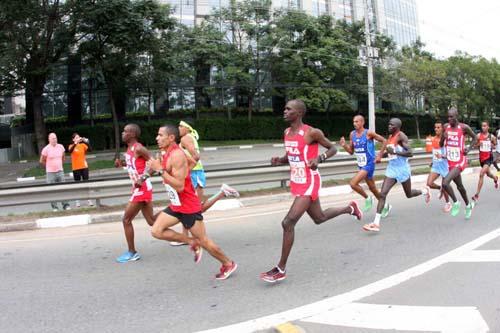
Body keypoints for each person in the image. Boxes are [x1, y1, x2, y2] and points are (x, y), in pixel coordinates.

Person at [260, 99, 362, 283]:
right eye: (284, 108)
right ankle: (350, 208)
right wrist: (280, 160)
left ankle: (280, 268)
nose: (284, 111)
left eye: (288, 109)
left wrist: (319, 158)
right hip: (297, 181)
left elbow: (332, 148)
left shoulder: (311, 132)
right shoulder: (286, 132)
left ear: (298, 113)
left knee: (288, 222)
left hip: (310, 180)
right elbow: (291, 154)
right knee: (319, 218)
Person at [148, 124, 237, 280]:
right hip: (177, 205)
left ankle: (228, 263)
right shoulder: (169, 152)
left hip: (188, 206)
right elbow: (193, 162)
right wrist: (174, 170)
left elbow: (180, 186)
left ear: (171, 138)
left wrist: (161, 170)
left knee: (205, 241)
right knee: (156, 231)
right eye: (157, 135)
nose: (157, 138)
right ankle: (191, 242)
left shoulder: (176, 154)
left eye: (160, 135)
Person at [169, 120, 240, 246]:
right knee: (188, 207)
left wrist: (185, 170)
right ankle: (186, 237)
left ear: (187, 128)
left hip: (194, 174)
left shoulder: (186, 138)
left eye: (181, 126)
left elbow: (196, 156)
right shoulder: (188, 138)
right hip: (195, 173)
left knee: (195, 208)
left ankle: (222, 192)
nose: (178, 128)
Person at [363, 118, 425, 232]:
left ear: (397, 126)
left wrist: (395, 152)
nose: (389, 126)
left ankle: (424, 191)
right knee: (382, 194)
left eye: (391, 125)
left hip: (402, 169)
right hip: (392, 169)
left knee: (409, 194)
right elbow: (390, 153)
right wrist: (380, 157)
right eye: (389, 124)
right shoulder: (390, 138)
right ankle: (376, 223)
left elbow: (410, 153)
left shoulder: (401, 136)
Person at [114, 124, 156, 263]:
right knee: (152, 221)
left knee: (126, 220)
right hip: (139, 187)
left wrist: (142, 178)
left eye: (125, 131)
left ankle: (132, 252)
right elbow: (134, 166)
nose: (122, 133)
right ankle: (177, 211)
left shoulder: (139, 148)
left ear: (132, 134)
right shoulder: (129, 148)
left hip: (142, 188)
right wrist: (122, 165)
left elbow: (155, 165)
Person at [339, 115, 387, 212]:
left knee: (353, 183)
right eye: (354, 122)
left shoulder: (368, 133)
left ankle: (367, 198)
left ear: (362, 122)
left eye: (357, 122)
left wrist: (379, 155)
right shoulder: (352, 134)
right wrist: (344, 145)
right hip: (361, 165)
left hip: (369, 163)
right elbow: (351, 152)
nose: (354, 124)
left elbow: (384, 141)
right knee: (372, 188)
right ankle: (385, 206)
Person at [440, 107, 477, 219]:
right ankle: (468, 205)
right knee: (460, 186)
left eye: (451, 117)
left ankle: (456, 202)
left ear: (457, 116)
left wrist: (469, 149)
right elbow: (441, 144)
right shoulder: (446, 127)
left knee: (445, 183)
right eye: (448, 117)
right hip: (450, 161)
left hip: (460, 161)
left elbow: (475, 138)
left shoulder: (464, 127)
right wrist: (443, 137)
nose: (449, 119)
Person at [424, 122, 451, 212]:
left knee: (445, 185)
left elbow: (450, 155)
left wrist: (442, 157)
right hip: (436, 166)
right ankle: (440, 188)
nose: (436, 129)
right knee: (429, 183)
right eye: (435, 127)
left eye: (438, 127)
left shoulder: (446, 140)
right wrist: (432, 162)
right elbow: (435, 153)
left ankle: (448, 203)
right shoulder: (433, 139)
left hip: (445, 166)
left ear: (442, 129)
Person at [40, 132, 70, 211]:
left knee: (63, 189)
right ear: (49, 139)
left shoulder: (61, 147)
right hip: (50, 173)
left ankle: (66, 205)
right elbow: (42, 160)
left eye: (55, 138)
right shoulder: (46, 149)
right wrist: (48, 167)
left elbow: (63, 157)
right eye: (53, 138)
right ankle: (55, 207)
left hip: (60, 171)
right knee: (52, 190)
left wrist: (59, 165)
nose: (55, 139)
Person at [471, 121, 498, 203]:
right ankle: (495, 178)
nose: (483, 127)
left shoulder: (491, 136)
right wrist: (479, 144)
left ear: (488, 127)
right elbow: (475, 145)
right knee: (488, 174)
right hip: (481, 158)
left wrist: (492, 145)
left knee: (481, 174)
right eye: (482, 126)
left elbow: (495, 144)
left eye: (485, 126)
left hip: (488, 158)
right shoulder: (479, 136)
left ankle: (476, 195)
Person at [68, 132, 93, 207]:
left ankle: (89, 199)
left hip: (84, 167)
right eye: (76, 137)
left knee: (86, 183)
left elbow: (90, 150)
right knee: (77, 184)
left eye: (78, 137)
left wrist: (86, 141)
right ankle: (77, 200)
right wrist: (75, 143)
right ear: (73, 139)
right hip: (76, 168)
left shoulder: (82, 145)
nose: (78, 138)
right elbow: (70, 151)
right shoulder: (71, 146)